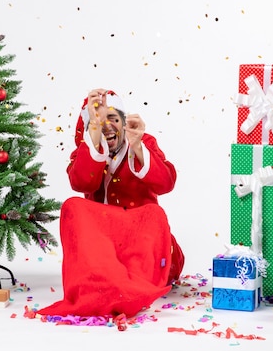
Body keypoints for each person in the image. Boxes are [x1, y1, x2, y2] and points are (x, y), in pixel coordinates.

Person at [37, 89, 184, 319]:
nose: (106, 126)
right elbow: (81, 182)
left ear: (124, 123)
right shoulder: (84, 151)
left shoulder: (144, 143)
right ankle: (105, 282)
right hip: (103, 245)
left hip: (141, 241)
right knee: (72, 206)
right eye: (99, 121)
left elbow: (166, 183)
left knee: (155, 214)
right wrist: (94, 141)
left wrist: (138, 149)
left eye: (113, 119)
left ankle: (132, 286)